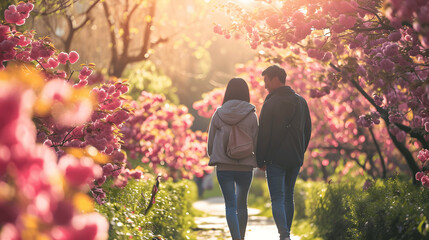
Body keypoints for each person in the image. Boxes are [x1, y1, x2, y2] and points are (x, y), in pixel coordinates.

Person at [256, 65, 311, 240]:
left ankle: (284, 235)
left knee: (278, 198)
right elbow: (307, 130)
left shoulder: (270, 103)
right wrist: (300, 152)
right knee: (289, 197)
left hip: (275, 159)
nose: (265, 86)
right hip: (294, 158)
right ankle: (286, 234)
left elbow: (264, 134)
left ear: (274, 79)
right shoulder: (301, 102)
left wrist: (261, 159)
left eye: (266, 81)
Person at [207, 78, 258, 240]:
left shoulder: (219, 113)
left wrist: (214, 155)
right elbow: (257, 141)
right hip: (245, 166)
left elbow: (210, 141)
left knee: (230, 204)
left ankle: (236, 238)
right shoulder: (251, 114)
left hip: (224, 167)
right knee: (242, 204)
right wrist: (258, 159)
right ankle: (241, 238)